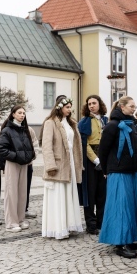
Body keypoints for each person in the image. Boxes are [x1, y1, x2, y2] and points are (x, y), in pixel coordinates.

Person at [98, 97, 137, 258]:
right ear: (122, 107)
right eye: (132, 106)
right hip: (117, 171)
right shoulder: (112, 126)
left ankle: (130, 237)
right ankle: (120, 242)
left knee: (132, 207)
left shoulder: (131, 124)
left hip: (131, 171)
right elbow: (102, 150)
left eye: (135, 106)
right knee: (120, 208)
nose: (134, 108)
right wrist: (105, 169)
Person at [41, 97, 83, 239]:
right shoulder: (50, 123)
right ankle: (58, 228)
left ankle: (69, 224)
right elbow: (46, 146)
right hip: (59, 164)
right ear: (59, 107)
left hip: (70, 161)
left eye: (71, 107)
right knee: (59, 195)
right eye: (67, 107)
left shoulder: (71, 123)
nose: (69, 110)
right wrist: (51, 165)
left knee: (69, 194)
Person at [0, 105, 35, 232]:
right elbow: (1, 149)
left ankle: (20, 219)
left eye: (24, 113)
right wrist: (16, 156)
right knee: (11, 193)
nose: (22, 115)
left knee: (22, 193)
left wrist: (29, 157)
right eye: (19, 112)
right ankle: (11, 222)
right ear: (13, 114)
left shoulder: (24, 129)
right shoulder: (7, 130)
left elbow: (30, 145)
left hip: (24, 164)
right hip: (12, 163)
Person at [77, 95, 108, 235]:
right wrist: (96, 160)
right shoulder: (84, 122)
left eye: (94, 103)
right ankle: (91, 224)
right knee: (90, 193)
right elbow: (85, 144)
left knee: (102, 193)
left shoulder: (105, 120)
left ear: (99, 104)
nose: (91, 106)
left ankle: (101, 221)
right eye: (89, 103)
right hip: (90, 162)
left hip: (104, 158)